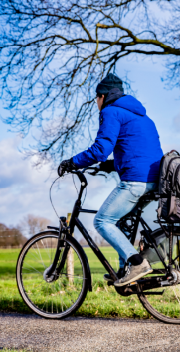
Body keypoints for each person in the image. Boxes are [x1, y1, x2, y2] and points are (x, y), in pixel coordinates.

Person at [57, 73, 163, 287]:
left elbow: (100, 150)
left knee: (102, 221)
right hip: (155, 179)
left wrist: (72, 162)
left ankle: (136, 263)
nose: (96, 103)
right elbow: (138, 150)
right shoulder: (142, 116)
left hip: (136, 181)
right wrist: (111, 164)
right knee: (123, 221)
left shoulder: (110, 111)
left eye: (96, 98)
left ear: (102, 96)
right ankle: (125, 271)